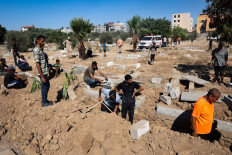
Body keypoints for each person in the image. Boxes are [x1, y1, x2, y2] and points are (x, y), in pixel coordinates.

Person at [33, 35, 53, 107]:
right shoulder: (36, 50)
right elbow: (37, 64)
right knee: (44, 86)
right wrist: (42, 77)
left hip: (44, 71)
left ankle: (45, 100)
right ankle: (44, 103)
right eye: (42, 41)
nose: (44, 42)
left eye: (44, 41)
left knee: (47, 85)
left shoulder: (40, 49)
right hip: (42, 73)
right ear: (38, 41)